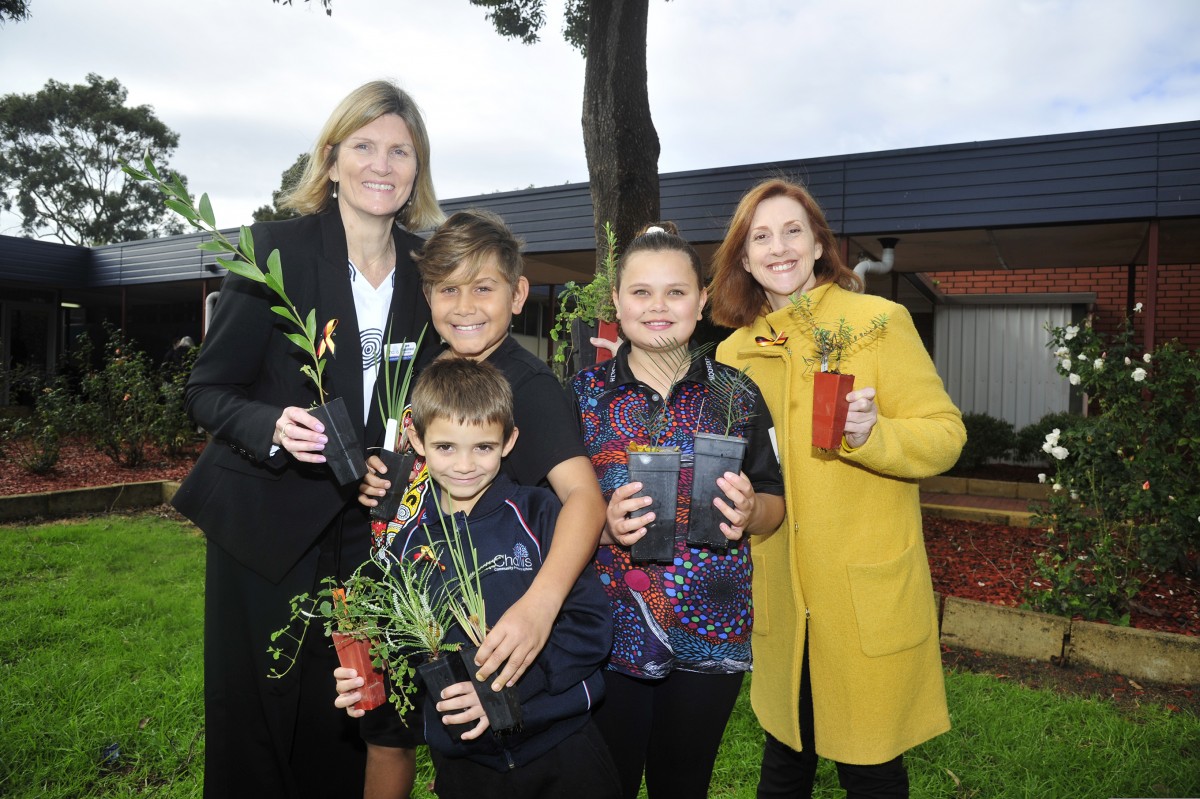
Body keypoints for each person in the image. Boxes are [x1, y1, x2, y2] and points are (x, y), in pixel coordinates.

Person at [169, 80, 443, 799]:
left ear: (418, 169)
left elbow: (428, 398)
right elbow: (207, 390)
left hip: (367, 532)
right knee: (255, 724)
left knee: (348, 715)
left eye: (400, 150)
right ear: (330, 158)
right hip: (264, 526)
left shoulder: (429, 270)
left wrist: (409, 452)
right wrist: (272, 426)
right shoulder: (273, 250)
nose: (381, 164)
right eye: (363, 146)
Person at [708, 178, 966, 798]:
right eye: (760, 237)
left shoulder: (878, 321)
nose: (778, 248)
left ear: (819, 244)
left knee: (871, 768)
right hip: (781, 596)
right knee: (784, 759)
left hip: (859, 596)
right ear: (743, 258)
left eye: (792, 230)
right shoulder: (734, 355)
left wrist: (874, 434)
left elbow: (946, 436)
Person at [338, 209, 607, 794]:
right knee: (394, 740)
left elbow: (584, 498)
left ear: (518, 296)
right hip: (421, 596)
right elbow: (416, 462)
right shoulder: (427, 369)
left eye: (483, 288)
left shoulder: (525, 386)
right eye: (448, 289)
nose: (465, 306)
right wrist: (381, 484)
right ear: (428, 295)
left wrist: (541, 604)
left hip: (503, 604)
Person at [567, 222, 786, 799]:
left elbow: (775, 502)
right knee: (604, 784)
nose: (657, 307)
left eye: (675, 292)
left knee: (683, 784)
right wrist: (603, 524)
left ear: (702, 300)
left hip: (710, 633)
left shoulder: (737, 394)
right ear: (616, 301)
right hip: (607, 632)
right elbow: (550, 508)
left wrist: (750, 511)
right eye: (640, 292)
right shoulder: (582, 397)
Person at [362, 357, 620, 799]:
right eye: (445, 447)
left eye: (482, 446)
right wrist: (369, 675)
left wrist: (509, 687)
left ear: (509, 441)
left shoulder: (541, 516)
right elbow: (401, 649)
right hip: (466, 766)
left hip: (562, 749)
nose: (464, 465)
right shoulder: (405, 542)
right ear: (416, 441)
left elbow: (591, 627)